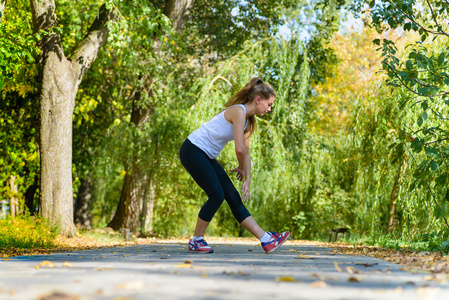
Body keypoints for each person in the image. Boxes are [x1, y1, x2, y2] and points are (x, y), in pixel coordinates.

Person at [179, 77, 290, 254]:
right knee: (217, 195)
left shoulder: (248, 121)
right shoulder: (238, 112)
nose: (269, 110)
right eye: (269, 105)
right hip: (193, 150)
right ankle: (196, 241)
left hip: (205, 155)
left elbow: (246, 153)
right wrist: (240, 167)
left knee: (232, 195)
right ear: (258, 99)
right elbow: (238, 150)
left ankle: (266, 240)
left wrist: (248, 180)